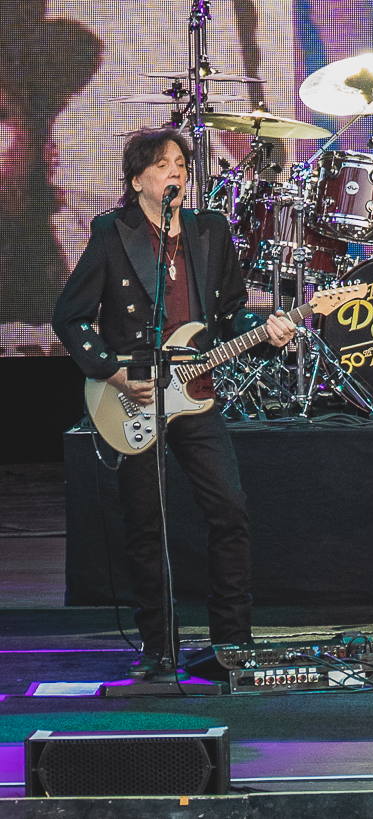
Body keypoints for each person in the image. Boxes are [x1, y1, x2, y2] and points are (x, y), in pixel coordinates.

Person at [53, 127, 295, 678]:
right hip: (134, 395)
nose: (177, 173)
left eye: (182, 164)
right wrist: (113, 373)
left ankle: (232, 643)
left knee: (230, 510)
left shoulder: (211, 231)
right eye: (164, 166)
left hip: (196, 394)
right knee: (145, 524)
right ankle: (158, 646)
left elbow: (232, 313)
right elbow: (69, 317)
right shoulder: (114, 234)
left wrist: (268, 328)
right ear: (138, 179)